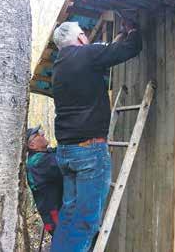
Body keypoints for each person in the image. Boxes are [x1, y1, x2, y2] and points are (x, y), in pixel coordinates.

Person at [50, 19, 142, 251]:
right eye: (85, 35)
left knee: (69, 215)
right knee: (86, 222)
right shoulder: (88, 55)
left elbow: (104, 52)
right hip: (89, 152)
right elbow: (131, 48)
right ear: (81, 37)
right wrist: (132, 30)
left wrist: (116, 38)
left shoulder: (59, 66)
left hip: (66, 153)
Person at [26, 125, 63, 235]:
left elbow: (54, 152)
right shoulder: (38, 163)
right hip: (55, 219)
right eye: (37, 134)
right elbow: (63, 163)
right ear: (32, 145)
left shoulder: (41, 156)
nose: (42, 134)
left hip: (55, 216)